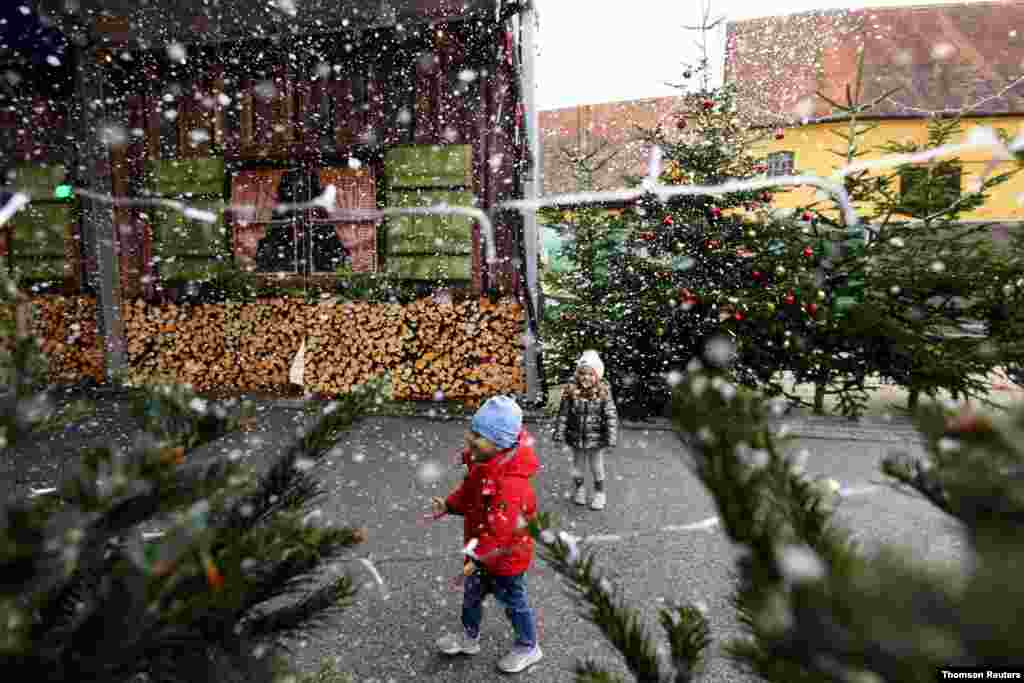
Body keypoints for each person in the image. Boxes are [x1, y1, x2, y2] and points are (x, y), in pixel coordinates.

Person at [431, 395, 543, 674]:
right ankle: (469, 637)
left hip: (506, 558)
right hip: (480, 551)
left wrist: (477, 558)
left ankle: (529, 646)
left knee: (514, 602)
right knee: (471, 595)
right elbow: (469, 492)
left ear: (501, 444)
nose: (470, 439)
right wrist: (449, 505)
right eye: (472, 430)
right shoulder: (483, 464)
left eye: (479, 436)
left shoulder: (510, 484)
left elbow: (500, 531)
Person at [553, 350, 619, 510]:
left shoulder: (603, 392)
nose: (586, 377)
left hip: (596, 439)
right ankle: (580, 489)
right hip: (576, 437)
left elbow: (611, 416)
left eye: (590, 374)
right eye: (582, 373)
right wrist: (559, 434)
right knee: (578, 467)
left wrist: (611, 438)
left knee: (597, 467)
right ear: (578, 374)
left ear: (597, 375)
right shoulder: (571, 391)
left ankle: (600, 493)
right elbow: (563, 415)